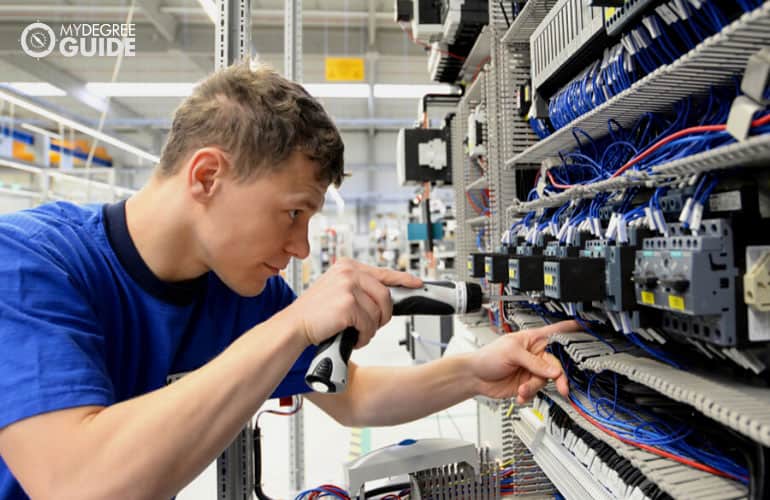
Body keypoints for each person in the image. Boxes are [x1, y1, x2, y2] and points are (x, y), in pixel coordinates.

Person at [0, 61, 574, 499]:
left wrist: (473, 372)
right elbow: (74, 483)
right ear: (206, 177)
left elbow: (349, 397)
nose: (300, 247)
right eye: (293, 212)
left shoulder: (237, 287)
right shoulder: (29, 263)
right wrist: (294, 326)